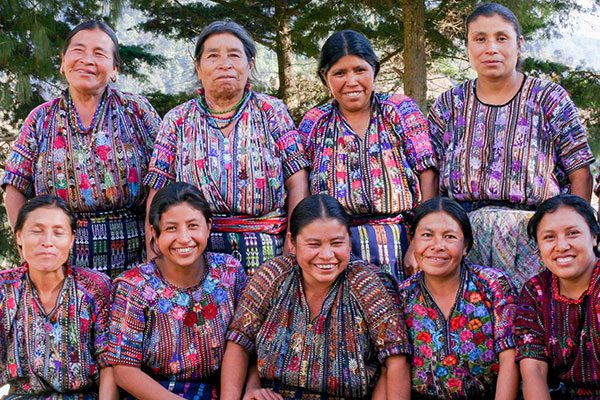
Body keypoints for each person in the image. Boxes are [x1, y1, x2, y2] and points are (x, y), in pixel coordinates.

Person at [427, 3, 594, 290]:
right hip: (463, 237)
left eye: (501, 38)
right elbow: (429, 172)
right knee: (471, 328)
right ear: (468, 45)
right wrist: (431, 232)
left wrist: (568, 235)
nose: (491, 48)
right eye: (480, 39)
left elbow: (580, 173)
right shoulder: (448, 104)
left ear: (519, 44)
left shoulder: (548, 99)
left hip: (533, 237)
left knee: (528, 326)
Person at [144, 20, 309, 275]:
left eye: (234, 55)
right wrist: (154, 250)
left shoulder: (271, 111)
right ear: (198, 67)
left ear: (249, 65)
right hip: (195, 254)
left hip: (270, 255)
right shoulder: (177, 119)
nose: (225, 64)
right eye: (213, 56)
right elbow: (158, 191)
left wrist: (295, 239)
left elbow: (297, 181)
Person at [2, 20, 160, 278]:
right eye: (78, 51)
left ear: (114, 68)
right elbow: (15, 186)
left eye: (99, 53)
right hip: (60, 262)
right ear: (63, 63)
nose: (87, 59)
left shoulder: (137, 111)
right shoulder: (41, 119)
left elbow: (164, 179)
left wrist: (156, 252)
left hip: (136, 259)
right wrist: (27, 247)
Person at [221, 194, 411, 400]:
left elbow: (395, 360)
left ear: (349, 242)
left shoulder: (368, 284)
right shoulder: (273, 275)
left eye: (337, 243)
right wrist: (249, 392)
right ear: (292, 242)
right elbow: (240, 342)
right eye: (314, 244)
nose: (327, 255)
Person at [298, 29, 437, 281]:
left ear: (374, 69)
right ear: (324, 77)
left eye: (360, 70)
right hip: (337, 251)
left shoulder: (399, 110)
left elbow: (427, 172)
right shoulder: (315, 122)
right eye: (339, 73)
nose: (351, 81)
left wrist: (422, 241)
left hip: (401, 244)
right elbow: (302, 189)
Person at [107, 182, 247, 399]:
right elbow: (124, 369)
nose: (184, 238)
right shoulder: (134, 285)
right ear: (154, 232)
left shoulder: (229, 272)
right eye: (171, 228)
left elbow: (245, 341)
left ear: (208, 227)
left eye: (193, 226)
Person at [399, 197, 518, 399]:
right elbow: (394, 367)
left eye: (450, 237)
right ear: (413, 241)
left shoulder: (493, 285)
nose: (437, 246)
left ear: (465, 246)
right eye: (427, 235)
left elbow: (510, 359)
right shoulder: (403, 296)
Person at [0, 195, 116, 398]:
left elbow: (110, 366)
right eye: (36, 231)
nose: (47, 242)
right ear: (19, 236)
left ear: (71, 239)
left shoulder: (94, 288)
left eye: (58, 233)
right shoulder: (4, 289)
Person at [515, 194, 600, 399]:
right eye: (549, 237)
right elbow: (533, 368)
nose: (561, 246)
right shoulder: (535, 291)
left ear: (594, 237)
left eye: (572, 233)